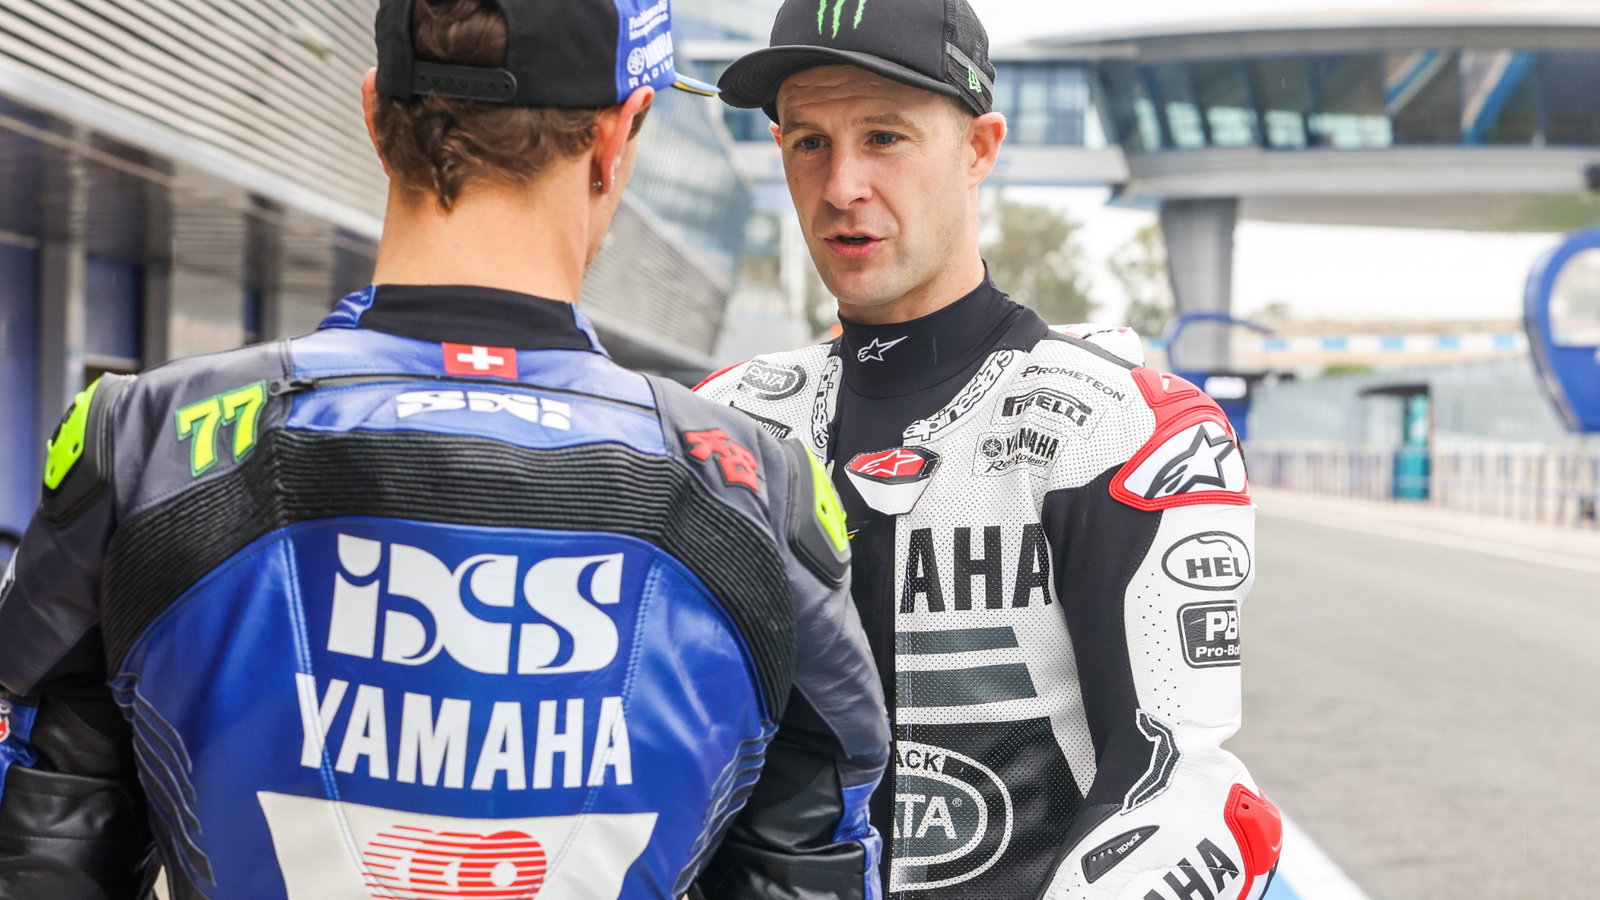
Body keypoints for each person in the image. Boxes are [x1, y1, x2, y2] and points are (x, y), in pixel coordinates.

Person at [0, 1, 888, 897]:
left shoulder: (144, 441)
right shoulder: (755, 489)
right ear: (622, 138)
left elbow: (40, 849)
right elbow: (813, 859)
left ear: (376, 114)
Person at [694, 0, 1282, 897]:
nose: (842, 184)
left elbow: (1174, 784)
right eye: (809, 141)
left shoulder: (1122, 425)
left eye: (884, 137)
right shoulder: (724, 422)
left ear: (979, 149)